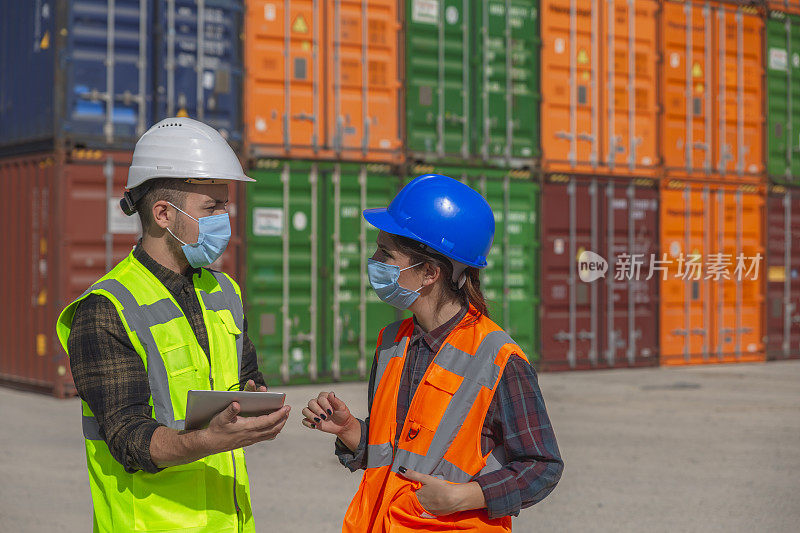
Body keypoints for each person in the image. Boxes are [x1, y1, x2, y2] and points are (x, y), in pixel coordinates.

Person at [56, 117, 291, 533]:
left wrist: (256, 404)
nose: (225, 217)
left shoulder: (224, 291)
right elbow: (128, 438)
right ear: (164, 213)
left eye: (226, 204)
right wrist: (210, 439)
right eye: (213, 207)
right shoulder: (106, 309)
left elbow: (246, 377)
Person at [302, 174, 564, 531]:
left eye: (386, 253)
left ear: (428, 273)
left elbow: (542, 466)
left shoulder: (498, 358)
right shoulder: (392, 342)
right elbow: (398, 456)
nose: (373, 261)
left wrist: (464, 496)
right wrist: (351, 431)